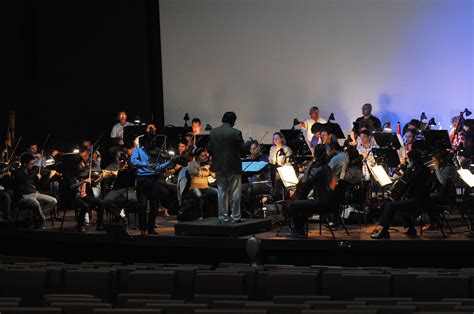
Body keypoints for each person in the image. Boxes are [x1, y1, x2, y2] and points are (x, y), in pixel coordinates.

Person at [371, 150, 432, 239]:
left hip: (420, 200)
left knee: (391, 206)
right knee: (399, 205)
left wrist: (409, 170)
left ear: (412, 159)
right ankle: (411, 229)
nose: (406, 160)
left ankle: (384, 231)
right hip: (419, 198)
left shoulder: (420, 170)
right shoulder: (421, 168)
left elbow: (413, 182)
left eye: (408, 159)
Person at [208, 111, 248, 224]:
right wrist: (249, 143)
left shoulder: (213, 132)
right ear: (233, 121)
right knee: (235, 192)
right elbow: (243, 148)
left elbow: (209, 148)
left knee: (222, 192)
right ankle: (235, 217)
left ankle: (223, 218)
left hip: (219, 166)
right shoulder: (236, 133)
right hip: (233, 166)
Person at [131, 132, 173, 234]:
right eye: (152, 142)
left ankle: (150, 228)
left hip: (153, 179)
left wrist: (170, 162)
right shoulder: (138, 150)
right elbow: (133, 161)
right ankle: (142, 229)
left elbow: (157, 167)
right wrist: (146, 164)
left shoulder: (156, 152)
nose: (154, 144)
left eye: (155, 142)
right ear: (146, 142)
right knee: (142, 205)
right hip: (142, 180)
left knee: (154, 205)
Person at [287, 144, 333, 237]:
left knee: (294, 204)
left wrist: (309, 167)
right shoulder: (327, 168)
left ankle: (298, 231)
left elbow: (307, 184)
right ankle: (300, 229)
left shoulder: (319, 170)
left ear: (315, 155)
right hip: (327, 201)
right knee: (304, 204)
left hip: (321, 203)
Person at [13, 153, 58, 229]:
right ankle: (41, 219)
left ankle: (36, 215)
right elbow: (24, 179)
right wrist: (35, 176)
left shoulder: (33, 171)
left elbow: (41, 185)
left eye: (34, 163)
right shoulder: (18, 172)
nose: (34, 165)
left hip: (35, 193)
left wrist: (48, 177)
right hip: (24, 197)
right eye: (31, 164)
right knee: (36, 204)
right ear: (24, 164)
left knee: (54, 201)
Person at [241, 140, 272, 217]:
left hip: (264, 183)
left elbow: (258, 174)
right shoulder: (250, 159)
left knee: (250, 189)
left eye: (254, 148)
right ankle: (245, 211)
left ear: (259, 149)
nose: (253, 151)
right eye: (251, 149)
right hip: (253, 184)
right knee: (238, 189)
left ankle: (255, 211)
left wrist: (254, 161)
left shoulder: (264, 158)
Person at [187, 147, 217, 218]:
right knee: (198, 195)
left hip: (205, 187)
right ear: (197, 156)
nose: (204, 157)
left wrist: (212, 168)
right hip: (194, 187)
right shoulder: (191, 164)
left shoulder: (207, 166)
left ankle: (216, 215)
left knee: (217, 192)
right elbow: (193, 172)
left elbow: (215, 176)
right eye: (202, 156)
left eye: (205, 156)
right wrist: (201, 168)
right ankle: (199, 216)